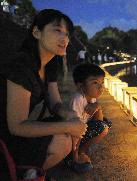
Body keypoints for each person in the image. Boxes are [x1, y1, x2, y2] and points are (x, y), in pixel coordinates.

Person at [0, 9, 87, 179]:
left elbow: (55, 104)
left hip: (15, 131)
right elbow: (16, 126)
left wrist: (69, 115)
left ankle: (33, 172)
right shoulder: (22, 66)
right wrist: (68, 126)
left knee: (68, 132)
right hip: (5, 138)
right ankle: (21, 174)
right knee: (62, 140)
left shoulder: (49, 63)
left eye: (67, 34)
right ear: (36, 32)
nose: (64, 39)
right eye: (57, 30)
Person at [68, 63, 112, 172]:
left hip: (81, 130)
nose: (101, 87)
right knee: (102, 127)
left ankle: (82, 149)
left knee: (106, 123)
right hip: (71, 135)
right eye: (95, 83)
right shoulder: (78, 99)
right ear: (80, 86)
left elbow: (99, 121)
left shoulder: (92, 98)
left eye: (102, 82)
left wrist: (98, 106)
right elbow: (74, 131)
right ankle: (75, 155)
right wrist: (75, 158)